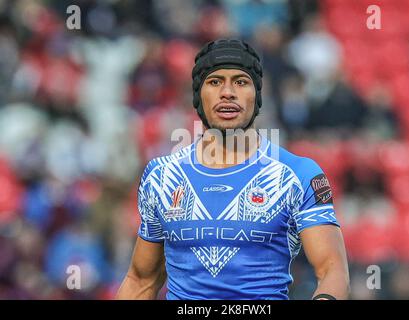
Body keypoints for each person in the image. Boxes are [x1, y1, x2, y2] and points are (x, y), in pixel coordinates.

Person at [116, 39, 350, 300]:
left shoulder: (298, 174)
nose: (227, 92)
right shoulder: (162, 176)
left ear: (257, 96)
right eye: (215, 82)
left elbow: (332, 270)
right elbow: (141, 281)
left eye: (241, 81)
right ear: (198, 96)